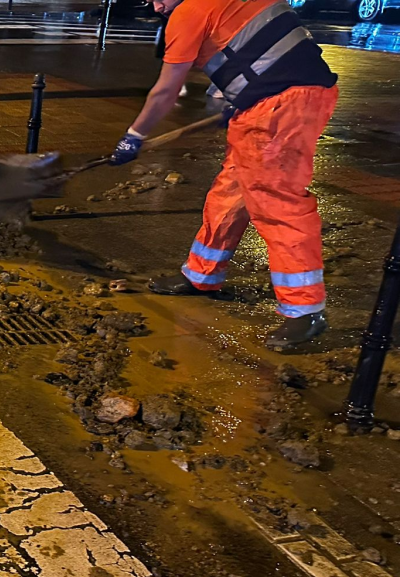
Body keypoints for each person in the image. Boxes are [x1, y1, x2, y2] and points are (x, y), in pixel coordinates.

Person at [111, 0, 338, 348]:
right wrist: (241, 98)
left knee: (276, 201)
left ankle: (305, 310)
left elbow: (166, 90)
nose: (156, 6)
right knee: (230, 192)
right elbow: (263, 48)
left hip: (280, 106)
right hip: (281, 97)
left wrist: (135, 136)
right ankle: (202, 274)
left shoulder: (189, 12)